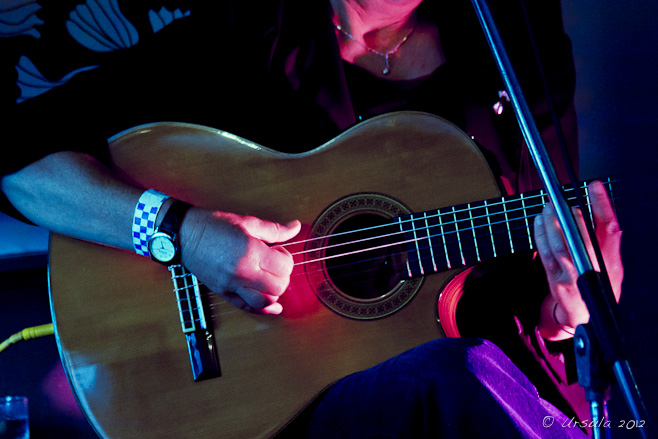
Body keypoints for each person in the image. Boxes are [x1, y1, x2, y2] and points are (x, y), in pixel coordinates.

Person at [0, 0, 623, 437]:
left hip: (487, 390)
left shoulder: (512, 44)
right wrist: (181, 233)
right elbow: (19, 164)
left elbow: (540, 294)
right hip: (288, 403)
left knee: (469, 377)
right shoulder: (249, 30)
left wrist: (568, 307)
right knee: (448, 376)